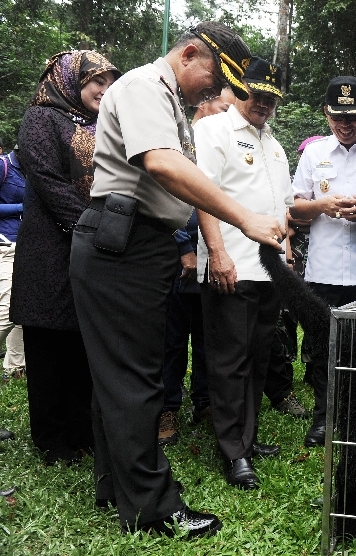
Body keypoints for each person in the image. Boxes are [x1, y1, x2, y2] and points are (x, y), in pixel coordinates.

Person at [70, 22, 284, 537]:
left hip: (135, 242)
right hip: (122, 242)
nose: (213, 92)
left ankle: (115, 487)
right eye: (213, 79)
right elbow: (163, 165)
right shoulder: (146, 85)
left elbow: (180, 179)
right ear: (189, 54)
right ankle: (155, 509)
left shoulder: (167, 98)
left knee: (117, 378)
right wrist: (244, 220)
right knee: (136, 380)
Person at [14, 51, 119, 466]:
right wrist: (90, 227)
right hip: (49, 249)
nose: (104, 90)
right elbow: (47, 180)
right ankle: (51, 438)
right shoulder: (41, 118)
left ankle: (80, 431)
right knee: (47, 344)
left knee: (81, 340)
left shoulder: (100, 125)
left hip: (88, 247)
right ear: (69, 80)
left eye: (111, 82)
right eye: (97, 81)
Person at [194, 57, 291, 490]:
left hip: (269, 270)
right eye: (257, 95)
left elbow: (281, 208)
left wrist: (287, 259)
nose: (264, 104)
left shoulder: (273, 143)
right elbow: (202, 194)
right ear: (237, 89)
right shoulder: (214, 131)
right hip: (231, 264)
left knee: (257, 355)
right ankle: (233, 450)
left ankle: (247, 439)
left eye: (272, 98)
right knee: (229, 360)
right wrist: (216, 252)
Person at [290, 76, 356, 447]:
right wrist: (321, 206)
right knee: (322, 347)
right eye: (338, 117)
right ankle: (324, 417)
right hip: (322, 270)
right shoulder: (314, 153)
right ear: (326, 114)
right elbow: (295, 208)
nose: (345, 125)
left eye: (353, 118)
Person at [158, 87, 236, 446]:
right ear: (205, 102)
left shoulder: (225, 142)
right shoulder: (176, 140)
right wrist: (184, 247)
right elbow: (162, 196)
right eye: (223, 107)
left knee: (209, 336)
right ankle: (167, 409)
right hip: (178, 257)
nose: (227, 114)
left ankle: (205, 402)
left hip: (214, 257)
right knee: (172, 339)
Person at [0, 143, 26, 380]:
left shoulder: (32, 172)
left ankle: (14, 369)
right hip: (4, 245)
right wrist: (21, 207)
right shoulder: (3, 166)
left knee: (21, 308)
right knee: (7, 309)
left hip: (25, 246)